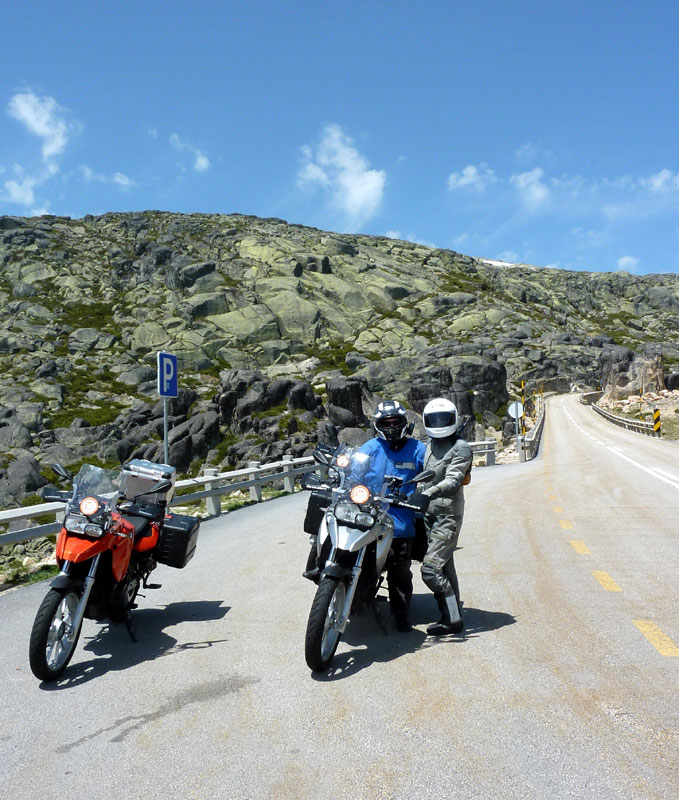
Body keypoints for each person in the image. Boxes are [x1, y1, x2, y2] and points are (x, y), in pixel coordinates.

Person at [350, 400, 426, 632]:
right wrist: (346, 483)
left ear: (404, 423)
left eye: (396, 422)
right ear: (378, 424)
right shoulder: (369, 448)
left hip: (400, 521)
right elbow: (354, 473)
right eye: (387, 422)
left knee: (399, 570)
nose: (392, 426)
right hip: (367, 516)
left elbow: (433, 470)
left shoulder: (418, 449)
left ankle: (401, 614)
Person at [419, 397, 473, 635]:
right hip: (428, 514)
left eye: (443, 419)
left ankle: (452, 619)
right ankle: (451, 614)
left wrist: (427, 492)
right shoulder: (428, 445)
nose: (439, 424)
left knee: (430, 570)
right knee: (445, 566)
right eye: (435, 420)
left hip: (447, 515)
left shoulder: (461, 447)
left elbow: (453, 480)